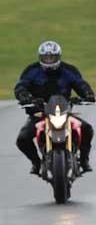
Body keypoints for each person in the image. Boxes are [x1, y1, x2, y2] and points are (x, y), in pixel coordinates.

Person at [15, 40, 96, 174]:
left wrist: (88, 94)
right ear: (40, 57)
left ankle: (84, 160)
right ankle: (36, 162)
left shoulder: (68, 70)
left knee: (87, 129)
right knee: (22, 139)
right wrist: (25, 97)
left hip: (63, 112)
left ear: (58, 57)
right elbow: (21, 86)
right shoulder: (32, 70)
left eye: (52, 57)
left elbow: (80, 83)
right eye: (46, 57)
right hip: (39, 113)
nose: (49, 60)